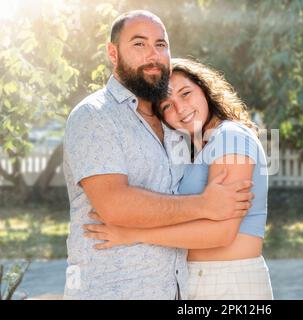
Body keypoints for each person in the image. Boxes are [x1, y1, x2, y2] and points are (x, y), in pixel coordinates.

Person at [63, 11, 253, 300]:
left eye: (161, 45)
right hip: (112, 289)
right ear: (113, 53)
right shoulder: (94, 116)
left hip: (174, 291)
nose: (153, 55)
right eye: (139, 44)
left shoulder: (175, 128)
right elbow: (115, 206)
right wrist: (204, 205)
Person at [83, 58, 274, 300]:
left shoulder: (230, 137)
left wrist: (132, 234)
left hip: (229, 282)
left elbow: (221, 233)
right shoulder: (200, 150)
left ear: (203, 89)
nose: (181, 108)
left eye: (186, 93)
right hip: (199, 280)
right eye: (167, 106)